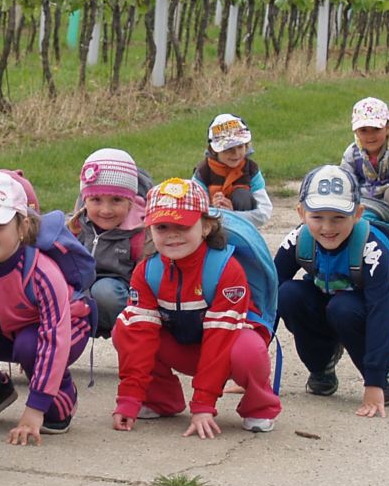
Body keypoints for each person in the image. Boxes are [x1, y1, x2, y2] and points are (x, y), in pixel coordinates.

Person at [111, 178, 282, 436]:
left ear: (205, 227)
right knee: (126, 328)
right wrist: (129, 398)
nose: (172, 234)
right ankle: (161, 399)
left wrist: (203, 404)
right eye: (162, 227)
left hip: (226, 346)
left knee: (249, 349)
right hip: (186, 346)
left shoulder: (226, 269)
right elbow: (139, 338)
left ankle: (259, 406)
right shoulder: (147, 272)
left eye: (182, 225)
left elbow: (221, 337)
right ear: (149, 230)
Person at [0, 171, 93, 442]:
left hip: (64, 329)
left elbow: (55, 339)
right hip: (5, 328)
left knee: (31, 344)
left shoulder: (43, 272)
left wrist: (34, 410)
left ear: (23, 226)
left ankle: (61, 400)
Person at [275, 164, 389, 417]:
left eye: (338, 218)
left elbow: (382, 312)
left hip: (365, 310)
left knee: (342, 308)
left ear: (357, 214)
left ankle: (385, 362)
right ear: (301, 213)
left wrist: (374, 381)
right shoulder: (297, 240)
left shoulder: (373, 248)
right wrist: (249, 367)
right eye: (317, 217)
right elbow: (266, 293)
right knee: (287, 294)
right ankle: (322, 365)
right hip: (327, 299)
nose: (327, 227)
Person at [68, 147, 147, 338]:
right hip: (81, 294)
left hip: (121, 296)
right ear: (84, 200)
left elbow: (146, 282)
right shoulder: (75, 225)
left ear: (131, 201)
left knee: (105, 291)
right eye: (96, 200)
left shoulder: (139, 234)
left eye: (116, 200)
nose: (106, 210)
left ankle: (127, 336)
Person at [193, 113, 273, 229]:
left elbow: (264, 212)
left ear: (246, 146)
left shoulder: (251, 170)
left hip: (244, 230)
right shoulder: (202, 173)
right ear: (214, 150)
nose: (235, 154)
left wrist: (231, 215)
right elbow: (194, 211)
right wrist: (214, 208)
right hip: (211, 231)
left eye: (240, 147)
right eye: (228, 149)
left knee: (241, 195)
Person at [342, 97, 389, 205]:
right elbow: (345, 180)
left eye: (376, 129)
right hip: (364, 200)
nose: (370, 136)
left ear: (387, 128)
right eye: (363, 130)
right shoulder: (352, 153)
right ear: (356, 132)